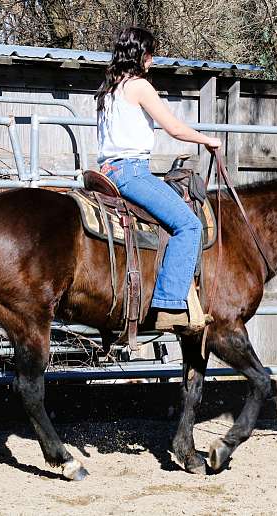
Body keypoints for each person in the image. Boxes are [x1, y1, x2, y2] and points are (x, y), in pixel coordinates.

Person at [95, 26, 221, 334]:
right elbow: (174, 128)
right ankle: (169, 304)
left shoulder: (107, 88)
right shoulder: (139, 86)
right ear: (140, 54)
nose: (152, 59)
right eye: (150, 52)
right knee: (189, 225)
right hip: (131, 172)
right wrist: (207, 140)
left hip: (105, 171)